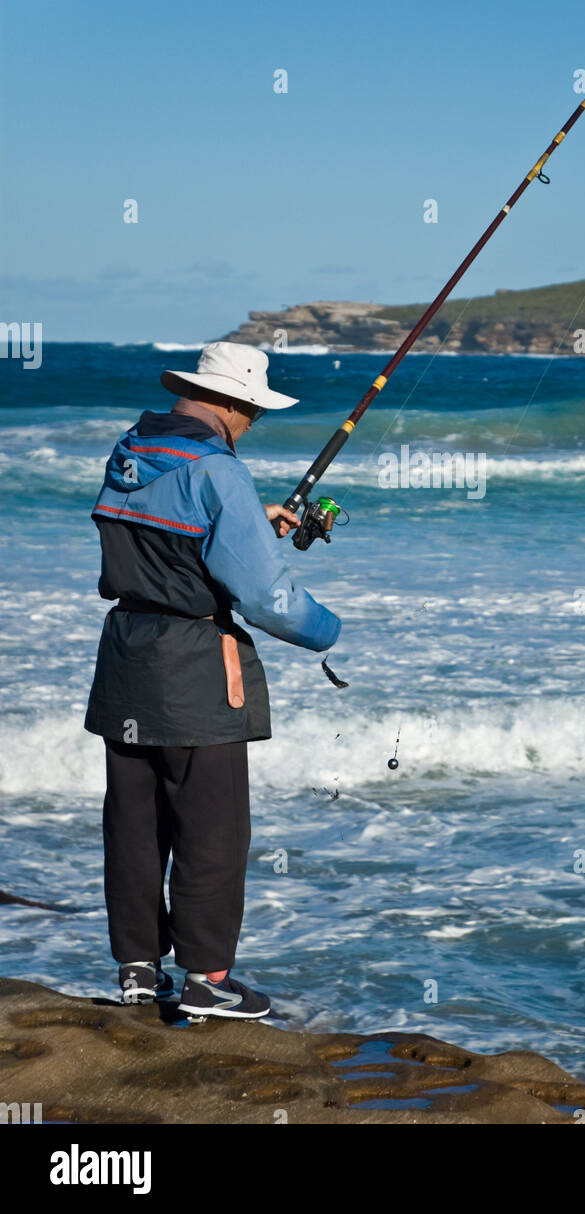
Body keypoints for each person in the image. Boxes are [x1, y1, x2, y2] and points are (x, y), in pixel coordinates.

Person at [84, 341, 340, 1019]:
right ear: (230, 402)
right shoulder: (220, 470)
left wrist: (251, 526)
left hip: (126, 654)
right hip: (196, 664)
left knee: (135, 825)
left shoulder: (129, 450)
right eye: (252, 410)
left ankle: (139, 971)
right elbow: (266, 600)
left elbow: (163, 533)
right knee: (212, 830)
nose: (253, 422)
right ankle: (207, 980)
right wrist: (328, 630)